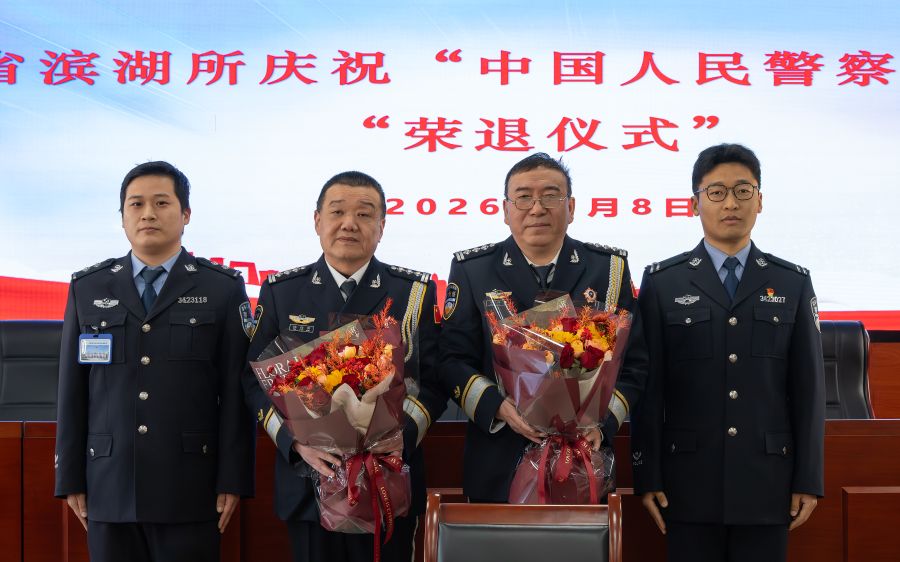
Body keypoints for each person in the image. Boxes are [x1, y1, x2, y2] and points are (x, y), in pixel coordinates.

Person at [630, 143, 825, 562]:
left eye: (742, 190)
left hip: (768, 482)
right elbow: (649, 390)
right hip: (686, 483)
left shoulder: (792, 282)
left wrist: (808, 478)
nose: (731, 203)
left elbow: (809, 390)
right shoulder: (663, 282)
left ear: (760, 200)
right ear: (694, 204)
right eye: (716, 192)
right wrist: (647, 476)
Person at [54, 161, 256, 562]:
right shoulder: (87, 287)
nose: (148, 213)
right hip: (108, 484)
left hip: (190, 486)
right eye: (136, 204)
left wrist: (233, 478)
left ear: (185, 214)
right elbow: (72, 390)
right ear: (123, 217)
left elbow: (237, 393)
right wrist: (69, 477)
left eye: (161, 203)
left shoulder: (222, 287)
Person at [242, 171, 445, 562]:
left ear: (381, 227)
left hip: (388, 479)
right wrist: (295, 443)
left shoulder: (413, 293)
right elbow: (253, 382)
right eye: (337, 212)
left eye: (364, 214)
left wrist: (400, 436)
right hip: (308, 481)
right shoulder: (282, 292)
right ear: (317, 221)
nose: (349, 223)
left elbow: (434, 382)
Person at [438, 152, 648, 502]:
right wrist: (498, 406)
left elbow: (635, 363)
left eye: (551, 196)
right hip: (498, 458)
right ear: (505, 210)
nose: (537, 208)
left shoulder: (608, 269)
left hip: (585, 458)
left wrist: (602, 423)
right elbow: (452, 359)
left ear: (571, 207)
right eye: (523, 197)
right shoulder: (473, 269)